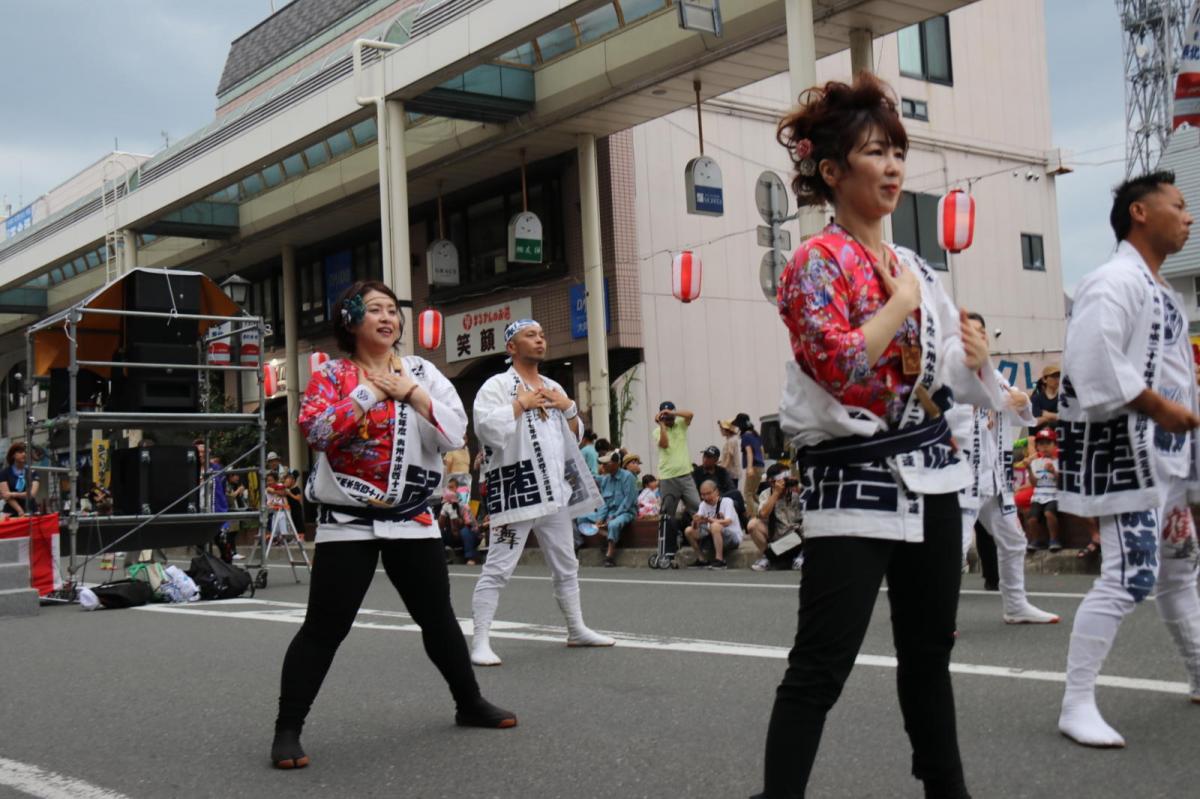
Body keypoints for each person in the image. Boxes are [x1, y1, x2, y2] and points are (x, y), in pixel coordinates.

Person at [757, 74, 997, 799]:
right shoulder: (813, 264)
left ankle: (947, 790)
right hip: (852, 486)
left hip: (931, 482)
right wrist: (897, 303)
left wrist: (976, 358)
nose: (893, 166)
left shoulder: (922, 268)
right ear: (831, 171)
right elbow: (837, 360)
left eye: (897, 151)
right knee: (821, 663)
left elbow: (947, 377)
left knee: (929, 654)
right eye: (873, 152)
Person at [273, 280, 515, 771]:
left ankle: (469, 702)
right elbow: (316, 431)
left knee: (437, 618)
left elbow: (453, 433)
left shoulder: (423, 372)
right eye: (375, 310)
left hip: (412, 519)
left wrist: (412, 394)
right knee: (324, 628)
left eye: (392, 311)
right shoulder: (332, 374)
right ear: (350, 320)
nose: (388, 319)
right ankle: (287, 729)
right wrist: (366, 393)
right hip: (348, 520)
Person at [1056, 171, 1200, 748]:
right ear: (1140, 213)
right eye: (1179, 205)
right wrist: (1161, 407)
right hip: (1128, 454)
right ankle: (1075, 703)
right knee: (1127, 576)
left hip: (1165, 458)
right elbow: (1092, 364)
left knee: (1179, 571)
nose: (1188, 216)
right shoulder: (1112, 281)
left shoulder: (1160, 290)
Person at [469, 319, 614, 667]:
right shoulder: (497, 386)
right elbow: (486, 430)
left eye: (542, 334)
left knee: (567, 564)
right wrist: (521, 405)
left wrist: (567, 407)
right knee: (499, 567)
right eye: (530, 336)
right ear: (511, 347)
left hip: (554, 491)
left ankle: (576, 628)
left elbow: (574, 437)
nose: (540, 340)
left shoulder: (551, 385)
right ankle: (481, 640)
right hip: (518, 488)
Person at [946, 312, 1059, 625]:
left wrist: (1010, 400)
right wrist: (990, 408)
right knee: (955, 547)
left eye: (983, 332)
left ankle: (1016, 604)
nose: (980, 337)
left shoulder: (992, 375)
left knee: (1013, 540)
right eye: (973, 332)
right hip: (962, 477)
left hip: (995, 476)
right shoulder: (949, 375)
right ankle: (939, 618)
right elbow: (950, 419)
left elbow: (1022, 402)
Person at [575, 451, 639, 567]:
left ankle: (609, 555)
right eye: (602, 464)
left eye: (606, 464)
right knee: (581, 519)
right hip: (609, 513)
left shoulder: (628, 477)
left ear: (615, 463)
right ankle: (610, 537)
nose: (602, 466)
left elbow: (628, 502)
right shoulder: (605, 480)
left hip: (626, 512)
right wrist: (600, 518)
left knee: (613, 524)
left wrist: (612, 517)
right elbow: (604, 503)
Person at [748, 463, 803, 572]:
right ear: (771, 481)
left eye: (787, 477)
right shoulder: (766, 494)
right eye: (783, 478)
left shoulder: (796, 491)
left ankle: (801, 557)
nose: (786, 481)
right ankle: (768, 558)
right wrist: (776, 493)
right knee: (753, 524)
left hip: (797, 536)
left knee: (809, 524)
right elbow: (763, 514)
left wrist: (799, 491)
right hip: (777, 536)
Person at [655, 401, 701, 525]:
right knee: (667, 513)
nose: (668, 418)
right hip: (667, 477)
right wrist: (662, 425)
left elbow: (690, 414)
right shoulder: (657, 431)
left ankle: (705, 537)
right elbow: (664, 444)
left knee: (697, 507)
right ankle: (669, 541)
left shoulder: (680, 424)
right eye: (665, 416)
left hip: (685, 475)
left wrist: (672, 413)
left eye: (670, 416)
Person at [684, 479, 744, 570]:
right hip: (713, 537)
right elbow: (695, 528)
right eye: (703, 495)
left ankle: (719, 560)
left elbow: (728, 521)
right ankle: (701, 559)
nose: (706, 497)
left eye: (708, 493)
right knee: (688, 531)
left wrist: (709, 520)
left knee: (715, 526)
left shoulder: (727, 502)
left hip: (732, 538)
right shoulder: (703, 505)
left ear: (716, 492)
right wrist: (695, 521)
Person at [1026, 429, 1062, 551]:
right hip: (1038, 496)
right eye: (1041, 444)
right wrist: (1029, 469)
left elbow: (1061, 483)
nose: (1044, 447)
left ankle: (1054, 539)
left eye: (1048, 443)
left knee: (1049, 513)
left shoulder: (1059, 462)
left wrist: (1054, 472)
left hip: (1054, 496)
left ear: (1055, 445)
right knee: (1031, 518)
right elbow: (1034, 483)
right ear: (1037, 446)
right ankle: (1036, 540)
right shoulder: (1035, 462)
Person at [439, 477, 479, 565]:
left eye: (451, 487)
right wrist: (443, 513)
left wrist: (454, 516)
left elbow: (467, 525)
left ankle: (470, 557)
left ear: (457, 489)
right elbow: (440, 526)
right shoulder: (443, 504)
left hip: (467, 535)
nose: (449, 490)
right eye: (448, 488)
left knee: (465, 531)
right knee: (439, 533)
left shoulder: (464, 506)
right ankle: (441, 557)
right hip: (452, 535)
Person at [734, 412, 766, 516]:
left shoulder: (745, 436)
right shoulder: (755, 434)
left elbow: (749, 452)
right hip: (760, 466)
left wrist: (749, 468)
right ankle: (764, 510)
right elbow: (761, 450)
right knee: (754, 493)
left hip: (754, 466)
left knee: (747, 493)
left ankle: (754, 517)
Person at [0, 443, 38, 517]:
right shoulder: (4, 473)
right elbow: (6, 495)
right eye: (20, 452)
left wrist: (12, 494)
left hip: (31, 511)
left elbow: (32, 494)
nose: (24, 454)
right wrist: (20, 510)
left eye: (25, 452)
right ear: (13, 455)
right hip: (11, 512)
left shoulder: (32, 471)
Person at [1030, 364, 1060, 432]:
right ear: (1044, 379)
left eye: (1058, 376)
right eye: (1053, 376)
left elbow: (1065, 418)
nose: (1057, 380)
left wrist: (1045, 414)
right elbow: (1034, 422)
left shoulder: (1062, 399)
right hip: (1038, 439)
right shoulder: (1036, 399)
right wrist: (1056, 417)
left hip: (1058, 438)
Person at [717, 418, 743, 488]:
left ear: (727, 430)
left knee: (731, 492)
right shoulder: (732, 439)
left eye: (722, 429)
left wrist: (722, 469)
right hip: (733, 473)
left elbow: (729, 457)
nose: (721, 430)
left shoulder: (731, 441)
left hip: (731, 473)